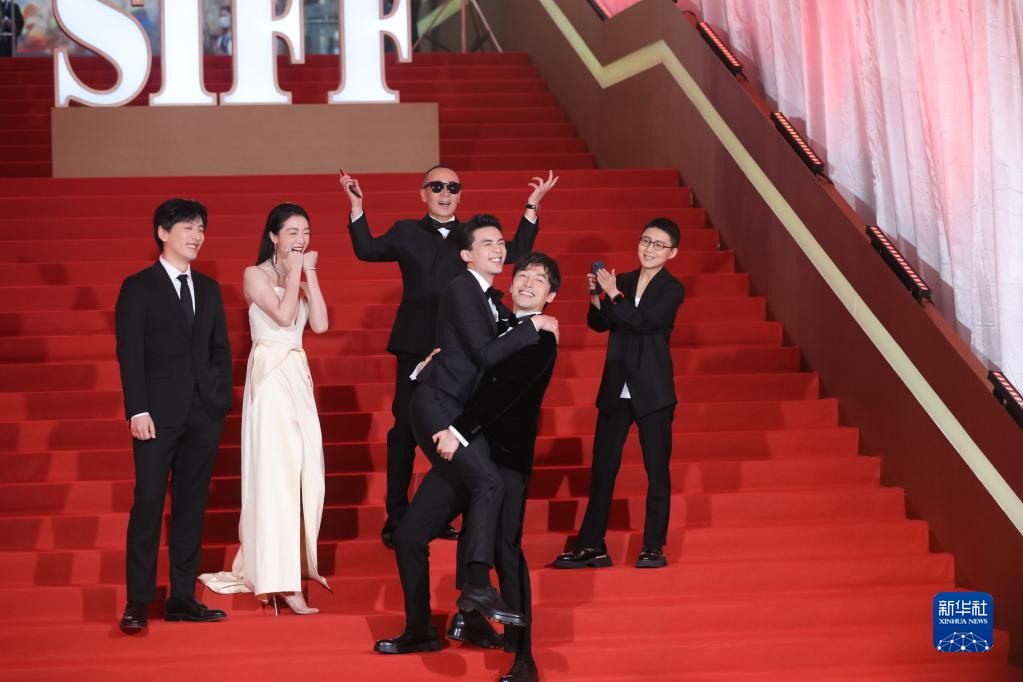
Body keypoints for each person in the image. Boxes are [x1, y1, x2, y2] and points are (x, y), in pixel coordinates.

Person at [340, 166, 558, 548]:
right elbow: (367, 250)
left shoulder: (471, 236)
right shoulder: (406, 231)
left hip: (464, 351)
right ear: (423, 193)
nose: (445, 193)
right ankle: (397, 517)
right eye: (437, 186)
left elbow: (515, 252)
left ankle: (439, 514)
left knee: (457, 430)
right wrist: (357, 207)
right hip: (418, 346)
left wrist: (531, 208)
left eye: (453, 187)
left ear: (460, 195)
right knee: (405, 433)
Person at [374, 219, 559, 656]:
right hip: (442, 412)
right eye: (486, 242)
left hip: (463, 426)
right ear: (466, 255)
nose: (497, 248)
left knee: (411, 535)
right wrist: (534, 324)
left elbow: (484, 361)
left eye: (501, 242)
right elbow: (485, 354)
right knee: (488, 484)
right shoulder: (464, 290)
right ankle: (476, 587)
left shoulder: (496, 307)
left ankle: (423, 629)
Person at [198, 203, 330, 615]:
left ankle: (292, 568)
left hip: (297, 376)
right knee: (276, 476)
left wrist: (309, 273)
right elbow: (284, 315)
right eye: (292, 232)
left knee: (306, 474)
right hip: (270, 377)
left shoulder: (299, 276)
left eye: (305, 232)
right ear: (273, 236)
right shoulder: (254, 275)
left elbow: (320, 325)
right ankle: (281, 580)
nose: (300, 239)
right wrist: (294, 273)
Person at [114, 199, 233, 632]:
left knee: (191, 507)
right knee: (148, 504)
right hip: (156, 416)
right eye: (188, 227)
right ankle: (138, 603)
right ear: (163, 232)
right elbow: (129, 352)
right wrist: (137, 409)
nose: (197, 235)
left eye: (201, 227)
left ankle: (182, 598)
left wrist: (218, 399)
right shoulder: (138, 287)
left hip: (203, 414)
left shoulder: (210, 288)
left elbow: (220, 350)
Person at [445, 252, 561, 682]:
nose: (528, 282)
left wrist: (458, 430)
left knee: (506, 550)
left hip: (508, 460)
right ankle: (472, 617)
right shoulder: (495, 327)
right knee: (474, 537)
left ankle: (525, 657)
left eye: (539, 280)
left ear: (551, 296)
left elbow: (504, 393)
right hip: (478, 457)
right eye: (523, 275)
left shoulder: (542, 339)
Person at [553, 217, 685, 570]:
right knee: (603, 468)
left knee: (656, 471)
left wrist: (612, 294)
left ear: (672, 253)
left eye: (659, 245)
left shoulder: (672, 289)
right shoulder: (622, 280)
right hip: (616, 388)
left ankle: (653, 546)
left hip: (653, 391)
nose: (650, 249)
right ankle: (591, 544)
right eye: (646, 241)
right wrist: (596, 296)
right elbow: (600, 324)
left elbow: (644, 322)